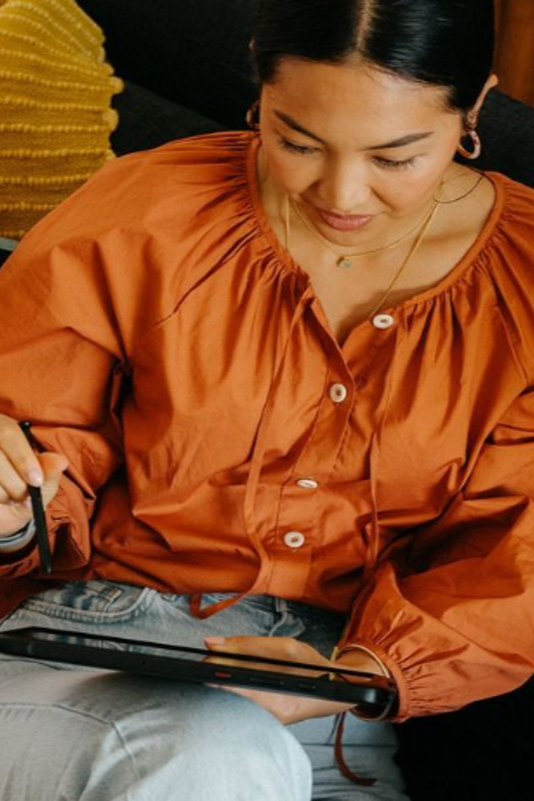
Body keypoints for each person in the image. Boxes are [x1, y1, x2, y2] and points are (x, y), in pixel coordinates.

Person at [0, 0, 533, 798]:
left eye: (396, 157)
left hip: (336, 712)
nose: (342, 192)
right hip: (85, 658)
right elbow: (44, 452)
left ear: (476, 107)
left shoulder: (523, 291)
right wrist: (12, 509)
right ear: (258, 77)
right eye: (297, 141)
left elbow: (513, 559)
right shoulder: (145, 215)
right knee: (216, 757)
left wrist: (357, 671)